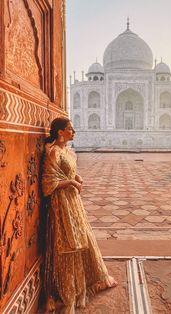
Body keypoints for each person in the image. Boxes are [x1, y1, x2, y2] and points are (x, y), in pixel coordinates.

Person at [42, 117, 117, 314]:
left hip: (73, 202)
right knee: (69, 243)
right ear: (60, 132)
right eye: (70, 129)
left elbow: (68, 171)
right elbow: (48, 183)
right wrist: (72, 183)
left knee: (81, 238)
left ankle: (87, 282)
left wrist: (77, 177)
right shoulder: (53, 152)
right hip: (62, 204)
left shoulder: (67, 151)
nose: (73, 132)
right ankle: (69, 291)